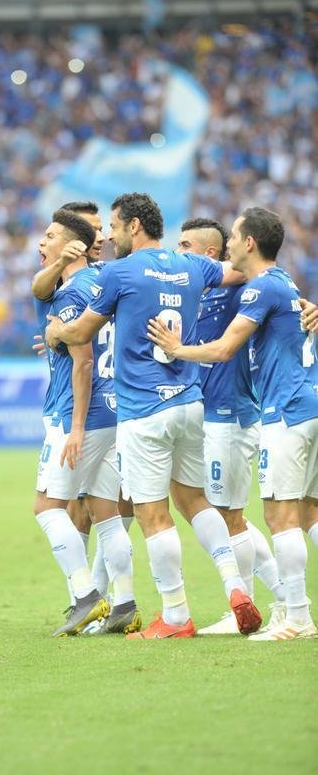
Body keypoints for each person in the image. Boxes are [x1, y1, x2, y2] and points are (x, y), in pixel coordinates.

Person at [46, 192, 262, 639]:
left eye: (116, 225)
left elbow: (82, 331)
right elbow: (240, 270)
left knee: (151, 514)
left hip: (144, 410)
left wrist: (54, 331)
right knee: (196, 501)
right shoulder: (192, 266)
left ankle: (176, 615)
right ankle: (236, 586)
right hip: (190, 401)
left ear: (135, 226)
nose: (111, 234)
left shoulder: (120, 272)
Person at [148, 206, 317, 640]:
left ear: (243, 245)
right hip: (290, 409)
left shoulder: (252, 287)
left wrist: (176, 348)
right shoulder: (276, 286)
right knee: (303, 514)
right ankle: (285, 607)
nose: (180, 254)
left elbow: (225, 348)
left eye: (188, 247)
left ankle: (291, 611)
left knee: (265, 516)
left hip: (264, 413)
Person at [177, 218, 286, 635]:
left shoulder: (240, 285)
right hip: (207, 415)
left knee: (228, 516)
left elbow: (268, 278)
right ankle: (279, 597)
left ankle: (254, 604)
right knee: (227, 515)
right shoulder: (188, 293)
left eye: (185, 245)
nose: (177, 252)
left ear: (209, 254)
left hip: (231, 415)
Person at [34, 208, 140, 636]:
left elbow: (83, 362)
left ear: (69, 245)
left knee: (46, 507)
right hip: (117, 408)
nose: (41, 243)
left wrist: (76, 427)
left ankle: (85, 596)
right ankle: (126, 605)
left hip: (81, 414)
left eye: (49, 236)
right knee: (105, 510)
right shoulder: (108, 281)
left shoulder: (73, 294)